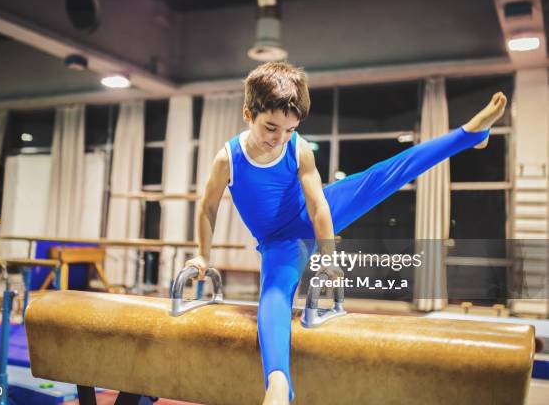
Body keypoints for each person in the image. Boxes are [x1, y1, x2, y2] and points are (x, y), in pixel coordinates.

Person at [185, 61, 507, 404]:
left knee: (385, 174)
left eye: (290, 129)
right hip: (281, 244)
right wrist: (203, 254)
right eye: (271, 128)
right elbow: (207, 207)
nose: (279, 138)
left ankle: (470, 135)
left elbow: (319, 207)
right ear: (248, 113)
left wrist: (327, 255)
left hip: (319, 212)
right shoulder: (228, 159)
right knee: (274, 297)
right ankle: (278, 384)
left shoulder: (298, 149)